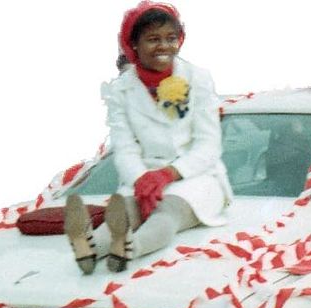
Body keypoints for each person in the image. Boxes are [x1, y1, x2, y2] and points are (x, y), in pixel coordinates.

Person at [65, 1, 231, 274]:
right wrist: (142, 178)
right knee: (129, 209)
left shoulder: (197, 78)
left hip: (195, 177)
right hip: (142, 175)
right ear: (134, 45)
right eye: (153, 39)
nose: (164, 46)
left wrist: (167, 174)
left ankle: (130, 248)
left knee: (169, 212)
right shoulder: (121, 90)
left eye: (171, 38)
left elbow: (209, 145)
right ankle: (89, 245)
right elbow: (124, 146)